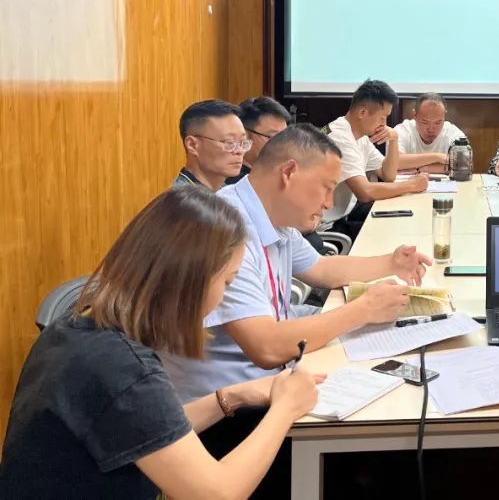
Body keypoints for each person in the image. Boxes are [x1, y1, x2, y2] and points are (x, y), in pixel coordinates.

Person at [0, 187, 321, 500]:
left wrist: (229, 397)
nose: (223, 296)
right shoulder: (123, 367)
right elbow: (218, 492)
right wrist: (286, 407)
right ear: (193, 279)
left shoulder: (75, 328)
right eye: (227, 281)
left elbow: (150, 426)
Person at [160, 124, 429, 406]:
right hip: (228, 405)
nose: (328, 203)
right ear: (289, 172)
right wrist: (364, 309)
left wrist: (391, 263)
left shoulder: (273, 213)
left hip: (275, 377)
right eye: (326, 188)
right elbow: (266, 347)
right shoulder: (226, 228)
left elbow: (321, 269)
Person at [320, 80, 428, 239]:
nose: (384, 124)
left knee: (402, 216)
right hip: (327, 226)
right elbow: (365, 192)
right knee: (394, 233)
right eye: (383, 118)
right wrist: (411, 185)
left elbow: (388, 175)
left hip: (346, 213)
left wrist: (394, 139)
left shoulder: (359, 136)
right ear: (363, 113)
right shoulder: (339, 137)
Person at [174, 100, 248, 190]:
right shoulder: (180, 198)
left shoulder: (229, 192)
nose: (240, 151)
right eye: (229, 142)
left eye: (243, 142)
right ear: (192, 145)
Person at [393, 92, 467, 173]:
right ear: (414, 115)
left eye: (438, 123)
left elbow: (464, 165)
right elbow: (393, 162)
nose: (431, 129)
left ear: (444, 115)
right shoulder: (403, 130)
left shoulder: (453, 133)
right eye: (425, 122)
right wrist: (437, 157)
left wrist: (422, 169)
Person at [227, 96, 292, 184]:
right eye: (273, 137)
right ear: (244, 137)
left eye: (285, 137)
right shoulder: (235, 183)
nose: (282, 145)